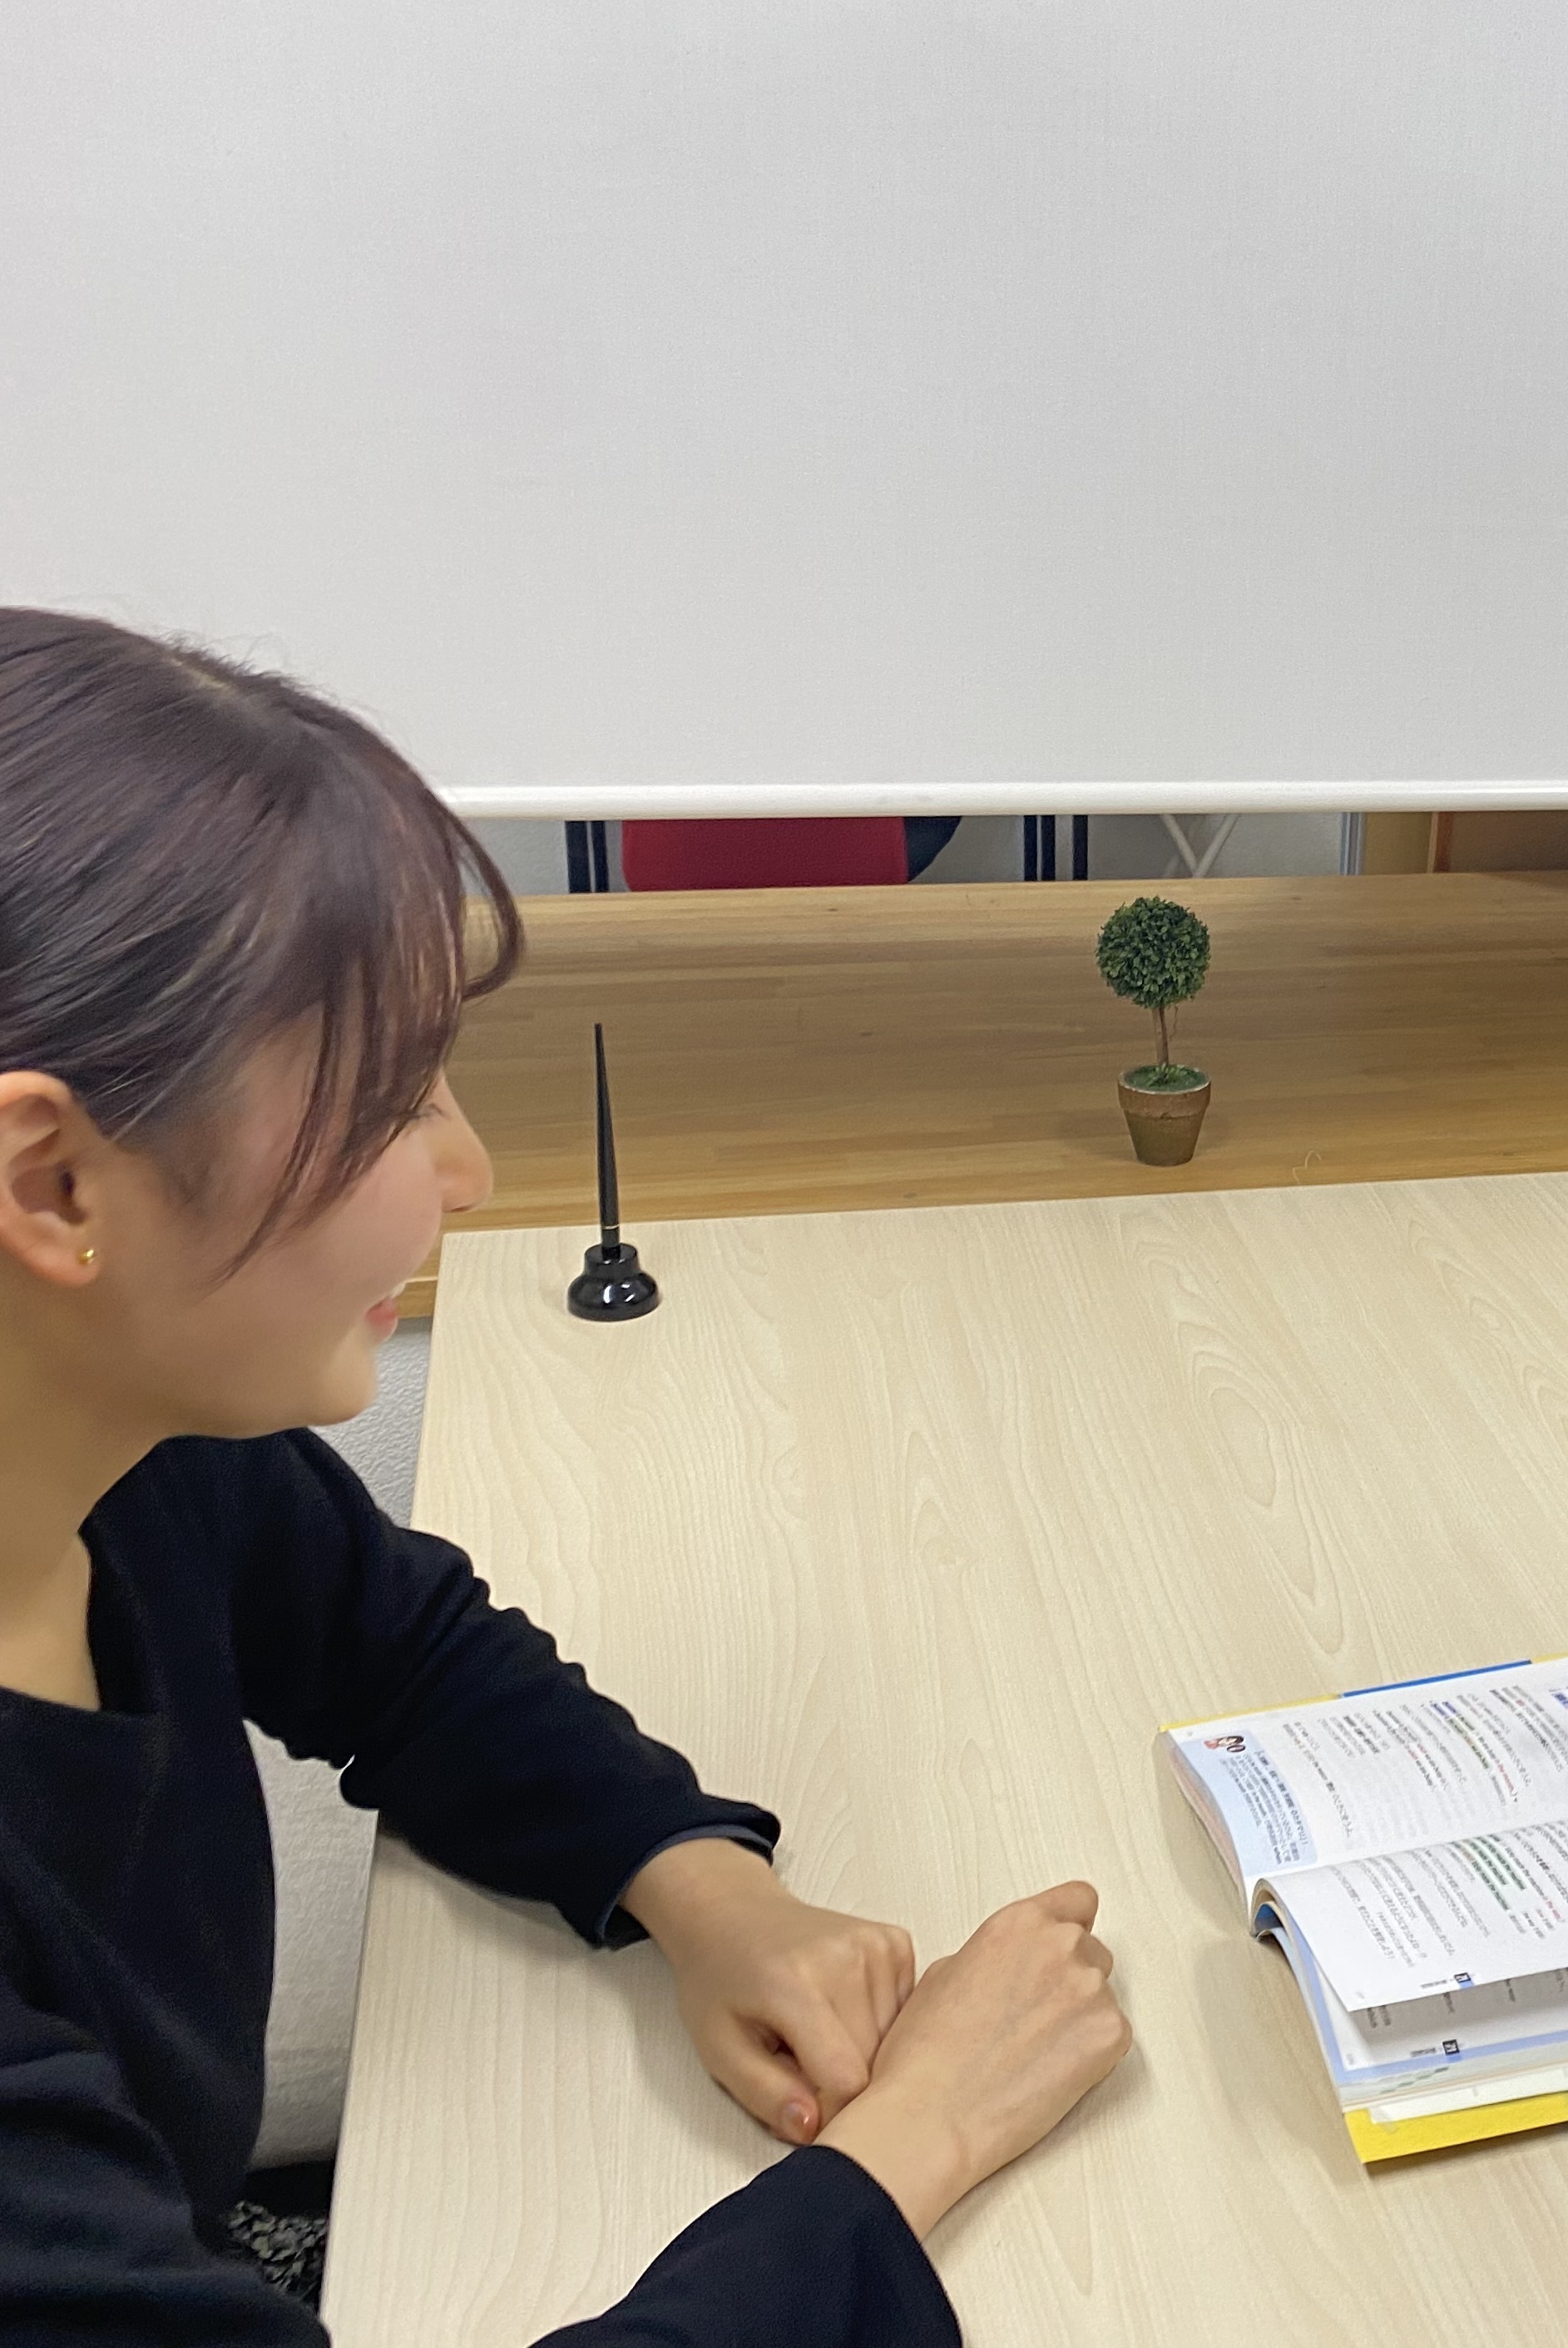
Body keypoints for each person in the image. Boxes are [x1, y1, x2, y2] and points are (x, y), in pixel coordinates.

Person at [0, 611, 1133, 2342]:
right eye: (389, 1102)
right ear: (55, 1187)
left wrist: (701, 1882)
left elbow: (402, 1652)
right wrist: (918, 2142)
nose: (468, 1168)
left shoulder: (122, 1453)